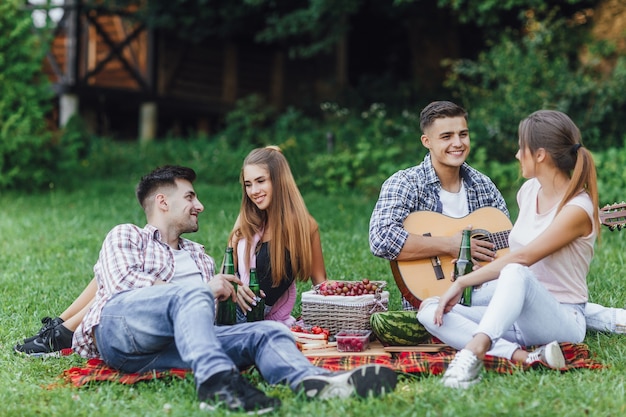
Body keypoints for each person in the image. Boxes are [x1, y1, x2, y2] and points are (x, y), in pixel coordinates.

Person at [66, 165, 397, 413]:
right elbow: (121, 287)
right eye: (191, 196)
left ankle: (313, 382)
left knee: (266, 331)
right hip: (122, 335)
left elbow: (203, 323)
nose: (200, 205)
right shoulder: (127, 235)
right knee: (193, 292)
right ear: (163, 202)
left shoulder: (199, 256)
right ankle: (216, 382)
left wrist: (232, 301)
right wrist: (200, 292)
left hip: (175, 350)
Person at [368, 100, 626, 334]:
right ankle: (605, 319)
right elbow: (381, 239)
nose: (457, 143)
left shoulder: (483, 184)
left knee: (530, 293)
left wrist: (483, 265)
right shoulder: (405, 183)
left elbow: (513, 250)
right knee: (532, 296)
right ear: (427, 141)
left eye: (463, 134)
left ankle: (583, 318)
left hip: (487, 286)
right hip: (430, 289)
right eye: (446, 136)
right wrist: (451, 245)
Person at [416, 109, 599, 388]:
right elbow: (519, 251)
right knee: (430, 309)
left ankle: (473, 352)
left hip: (561, 320)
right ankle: (524, 357)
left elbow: (523, 258)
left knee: (514, 271)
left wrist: (463, 282)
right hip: (517, 316)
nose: (516, 155)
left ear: (539, 155)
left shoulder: (578, 208)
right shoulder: (528, 192)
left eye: (520, 148)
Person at [230, 146, 327, 326]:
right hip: (231, 313)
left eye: (261, 181)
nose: (253, 191)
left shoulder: (306, 227)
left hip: (269, 322)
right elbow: (225, 275)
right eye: (248, 184)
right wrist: (236, 289)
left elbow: (321, 285)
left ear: (279, 180)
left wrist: (351, 295)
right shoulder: (247, 223)